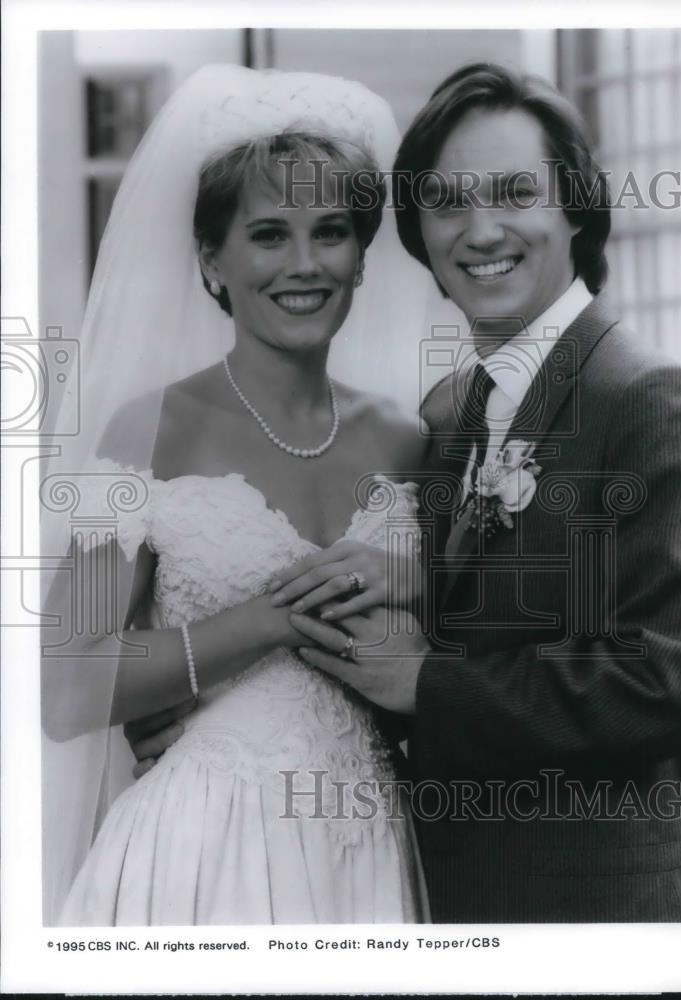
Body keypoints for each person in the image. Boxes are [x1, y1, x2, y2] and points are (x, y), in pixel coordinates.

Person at [282, 64, 681, 922]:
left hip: (601, 909)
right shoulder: (446, 412)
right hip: (449, 897)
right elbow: (457, 624)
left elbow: (671, 680)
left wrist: (428, 683)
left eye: (514, 192)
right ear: (419, 233)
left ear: (574, 208)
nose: (480, 229)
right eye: (447, 202)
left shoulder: (649, 399)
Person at [41, 65, 432, 926]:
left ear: (361, 256)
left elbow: (438, 667)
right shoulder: (143, 432)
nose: (304, 264)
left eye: (330, 232)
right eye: (268, 234)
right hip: (201, 849)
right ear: (212, 259)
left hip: (368, 845)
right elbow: (65, 686)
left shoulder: (409, 442)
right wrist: (267, 621)